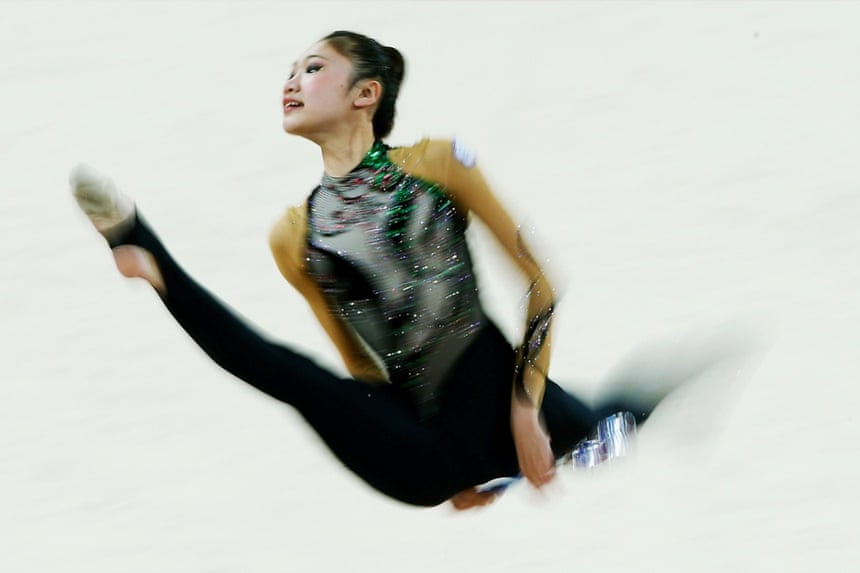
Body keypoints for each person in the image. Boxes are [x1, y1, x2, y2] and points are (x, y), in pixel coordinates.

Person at [71, 31, 657, 510]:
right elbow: (360, 363)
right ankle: (137, 243)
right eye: (291, 70)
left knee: (610, 424)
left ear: (365, 93)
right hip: (427, 455)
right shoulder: (294, 236)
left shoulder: (440, 164)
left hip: (511, 411)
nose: (291, 81)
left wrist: (526, 409)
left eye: (313, 68)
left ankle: (640, 397)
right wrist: (428, 461)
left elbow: (541, 283)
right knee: (295, 377)